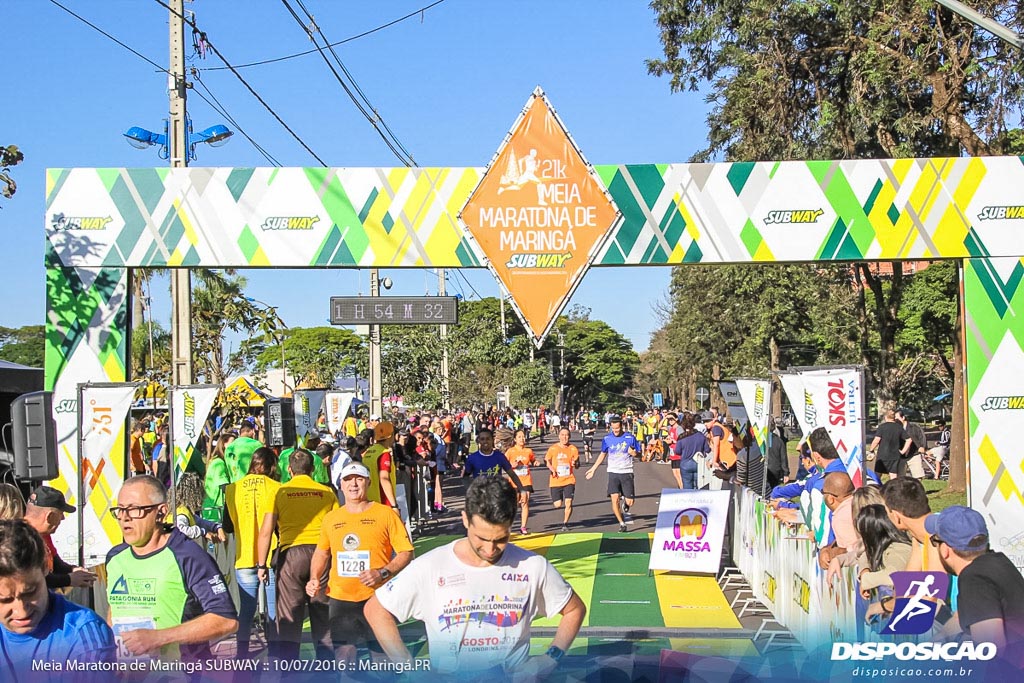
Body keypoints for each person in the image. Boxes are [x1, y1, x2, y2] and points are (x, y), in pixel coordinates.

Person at [364, 476, 586, 676]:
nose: (490, 550)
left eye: (501, 539)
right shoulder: (430, 566)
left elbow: (574, 609)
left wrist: (550, 659)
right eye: (481, 538)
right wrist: (409, 669)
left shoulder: (533, 566)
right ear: (465, 520)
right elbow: (376, 609)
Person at [106, 475, 237, 661]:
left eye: (134, 509)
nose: (124, 518)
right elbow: (115, 608)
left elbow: (226, 620)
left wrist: (159, 638)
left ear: (161, 512)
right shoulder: (115, 558)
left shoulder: (188, 556)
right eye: (120, 510)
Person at [307, 462, 414, 663]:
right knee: (344, 658)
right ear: (340, 484)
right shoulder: (331, 518)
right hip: (341, 599)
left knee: (381, 659)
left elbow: (406, 553)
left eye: (359, 479)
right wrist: (314, 578)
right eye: (348, 479)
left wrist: (382, 573)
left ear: (368, 482)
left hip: (378, 597)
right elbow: (321, 553)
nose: (353, 484)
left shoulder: (385, 514)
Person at [0, 520, 115, 680]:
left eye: (30, 592)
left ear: (46, 567)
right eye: (5, 600)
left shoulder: (83, 634)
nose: (21, 610)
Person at [256, 449, 337, 660]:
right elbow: (337, 527)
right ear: (312, 470)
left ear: (289, 470)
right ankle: (327, 669)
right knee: (322, 613)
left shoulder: (279, 492)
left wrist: (261, 564)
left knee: (289, 615)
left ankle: (288, 670)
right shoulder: (327, 492)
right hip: (322, 554)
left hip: (290, 556)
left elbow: (266, 532)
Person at [926, 505, 1024, 654]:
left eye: (935, 542)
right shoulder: (997, 562)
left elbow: (991, 651)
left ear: (945, 550)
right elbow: (968, 616)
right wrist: (936, 641)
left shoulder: (974, 580)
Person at [223, 447, 281, 658]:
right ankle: (276, 656)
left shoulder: (232, 489)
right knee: (274, 610)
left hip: (244, 556)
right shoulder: (277, 487)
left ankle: (242, 654)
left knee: (246, 612)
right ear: (272, 466)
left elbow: (227, 526)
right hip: (271, 557)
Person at [23, 486, 96, 591]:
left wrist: (73, 569)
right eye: (61, 514)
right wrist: (69, 579)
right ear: (50, 516)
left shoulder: (43, 535)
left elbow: (57, 565)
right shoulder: (19, 539)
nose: (63, 518)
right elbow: (34, 578)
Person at [586, 416, 641, 533]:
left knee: (630, 501)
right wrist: (593, 469)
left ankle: (626, 503)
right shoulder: (607, 439)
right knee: (614, 499)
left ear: (621, 426)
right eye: (613, 428)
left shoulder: (630, 438)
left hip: (626, 472)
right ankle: (621, 523)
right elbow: (602, 454)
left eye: (617, 428)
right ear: (610, 426)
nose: (615, 431)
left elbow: (640, 455)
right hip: (613, 472)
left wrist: (634, 453)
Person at [463, 428, 527, 494]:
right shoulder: (472, 458)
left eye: (488, 439)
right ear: (479, 441)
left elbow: (512, 474)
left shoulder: (499, 457)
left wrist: (522, 490)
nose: (485, 441)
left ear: (492, 440)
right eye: (482, 439)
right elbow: (465, 478)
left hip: (497, 497)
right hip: (480, 497)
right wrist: (471, 492)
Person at [546, 427, 580, 531]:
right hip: (556, 480)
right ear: (559, 436)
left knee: (568, 502)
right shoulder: (553, 448)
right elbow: (547, 461)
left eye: (566, 435)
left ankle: (565, 524)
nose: (564, 437)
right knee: (557, 504)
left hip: (569, 480)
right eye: (562, 435)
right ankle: (558, 502)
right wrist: (551, 468)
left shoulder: (573, 449)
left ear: (569, 436)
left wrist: (575, 463)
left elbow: (578, 464)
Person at [506, 429, 536, 534]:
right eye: (519, 437)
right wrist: (511, 466)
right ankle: (508, 526)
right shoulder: (510, 451)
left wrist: (536, 462)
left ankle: (523, 527)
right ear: (515, 439)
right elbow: (503, 465)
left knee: (525, 502)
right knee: (514, 505)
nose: (522, 439)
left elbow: (533, 460)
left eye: (523, 437)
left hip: (526, 481)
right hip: (514, 482)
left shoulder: (528, 451)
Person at [362, 422, 399, 510]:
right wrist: (394, 505)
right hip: (383, 502)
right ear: (391, 436)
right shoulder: (384, 454)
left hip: (369, 500)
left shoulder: (368, 452)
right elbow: (384, 479)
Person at [868, 409, 912, 479]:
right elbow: (909, 439)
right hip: (895, 455)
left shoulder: (882, 427)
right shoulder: (899, 427)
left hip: (882, 455)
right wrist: (903, 451)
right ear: (894, 418)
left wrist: (871, 450)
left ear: (885, 417)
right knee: (893, 475)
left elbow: (877, 440)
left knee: (877, 475)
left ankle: (877, 488)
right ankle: (894, 489)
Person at [672, 413, 707, 490]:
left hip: (685, 464)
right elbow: (707, 449)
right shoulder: (701, 436)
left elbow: (677, 451)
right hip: (699, 463)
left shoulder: (682, 437)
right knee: (698, 486)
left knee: (687, 486)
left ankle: (689, 500)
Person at [896, 408, 928, 479]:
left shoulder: (914, 426)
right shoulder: (895, 428)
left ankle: (917, 489)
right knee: (900, 477)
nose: (896, 420)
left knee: (918, 476)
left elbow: (921, 436)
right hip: (901, 456)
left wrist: (922, 446)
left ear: (903, 417)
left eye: (897, 418)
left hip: (914, 454)